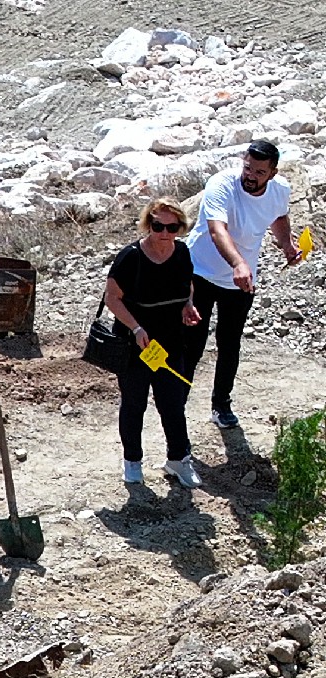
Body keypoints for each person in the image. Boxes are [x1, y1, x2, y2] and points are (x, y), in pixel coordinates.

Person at [190, 140, 304, 431]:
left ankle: (221, 404)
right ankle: (177, 398)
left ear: (273, 173)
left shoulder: (280, 190)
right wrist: (238, 263)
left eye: (259, 172)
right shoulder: (222, 184)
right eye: (248, 167)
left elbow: (278, 215)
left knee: (230, 342)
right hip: (200, 272)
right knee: (192, 341)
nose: (250, 176)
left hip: (241, 280)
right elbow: (217, 230)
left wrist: (287, 245)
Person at [103, 196, 210, 488]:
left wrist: (188, 305)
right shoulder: (131, 256)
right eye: (157, 225)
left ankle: (178, 459)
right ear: (148, 223)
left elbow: (187, 285)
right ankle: (132, 461)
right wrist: (136, 327)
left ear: (180, 227)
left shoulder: (182, 252)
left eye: (171, 227)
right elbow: (112, 298)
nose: (163, 233)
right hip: (135, 344)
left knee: (173, 404)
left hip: (171, 341)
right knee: (134, 404)